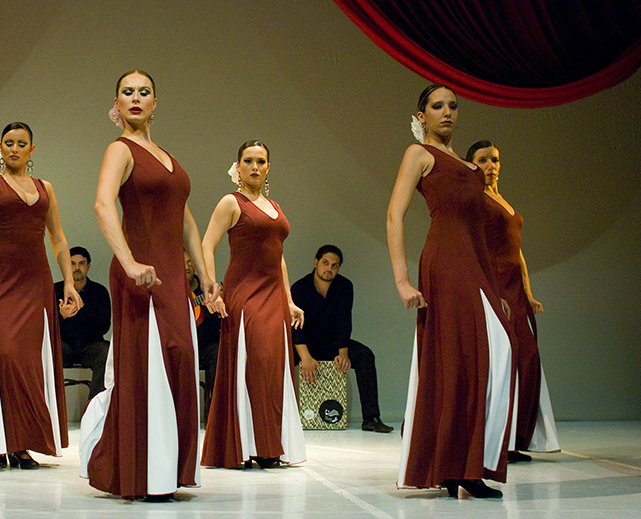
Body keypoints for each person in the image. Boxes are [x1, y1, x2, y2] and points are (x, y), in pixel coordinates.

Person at [80, 70, 220, 501]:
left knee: (178, 361)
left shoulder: (166, 156)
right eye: (127, 92)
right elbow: (103, 204)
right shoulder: (120, 149)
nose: (136, 98)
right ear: (117, 103)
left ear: (155, 103)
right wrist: (128, 262)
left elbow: (187, 223)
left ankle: (166, 470)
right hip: (139, 273)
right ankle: (141, 472)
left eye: (144, 92)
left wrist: (206, 276)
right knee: (147, 368)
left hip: (173, 277)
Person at [386, 84, 515, 499]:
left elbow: (480, 235)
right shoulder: (419, 154)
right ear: (421, 116)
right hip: (444, 262)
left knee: (493, 355)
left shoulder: (473, 169)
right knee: (459, 360)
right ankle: (458, 467)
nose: (447, 112)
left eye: (453, 106)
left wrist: (494, 290)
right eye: (437, 106)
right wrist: (402, 280)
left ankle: (465, 464)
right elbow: (394, 215)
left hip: (475, 266)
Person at [0, 122, 82, 471]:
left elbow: (58, 239)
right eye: (9, 143)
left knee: (31, 363)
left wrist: (68, 283)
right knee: (3, 355)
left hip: (36, 285)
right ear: (0, 148)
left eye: (21, 143)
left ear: (32, 149)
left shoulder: (46, 188)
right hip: (1, 282)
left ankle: (21, 444)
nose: (14, 148)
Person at [199, 140, 305, 470]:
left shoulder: (274, 205)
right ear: (238, 166)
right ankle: (249, 445)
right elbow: (206, 245)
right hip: (245, 294)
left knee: (275, 368)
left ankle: (269, 445)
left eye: (260, 161)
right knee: (255, 364)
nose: (255, 166)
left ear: (268, 167)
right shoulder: (232, 202)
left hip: (274, 297)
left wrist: (289, 299)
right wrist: (212, 290)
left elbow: (279, 257)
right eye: (248, 160)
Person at [466, 141, 560, 461]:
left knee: (527, 359)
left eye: (494, 159)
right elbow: (475, 248)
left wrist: (529, 293)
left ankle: (516, 438)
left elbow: (516, 252)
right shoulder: (475, 201)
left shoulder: (502, 199)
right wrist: (491, 292)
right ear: (472, 165)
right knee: (503, 361)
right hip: (496, 285)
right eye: (483, 160)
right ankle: (497, 443)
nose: (490, 165)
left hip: (515, 288)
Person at [290, 245, 394, 434]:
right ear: (316, 262)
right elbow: (296, 327)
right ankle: (282, 418)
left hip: (332, 343)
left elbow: (344, 321)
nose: (329, 269)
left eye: (334, 265)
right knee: (280, 359)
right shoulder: (299, 288)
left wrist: (343, 353)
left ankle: (371, 418)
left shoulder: (344, 286)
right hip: (305, 345)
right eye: (325, 263)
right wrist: (305, 357)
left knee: (365, 356)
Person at [54, 246, 110, 400]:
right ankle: (52, 404)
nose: (77, 268)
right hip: (64, 345)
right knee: (46, 350)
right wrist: (62, 316)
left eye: (81, 263)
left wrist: (83, 309)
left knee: (105, 353)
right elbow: (46, 325)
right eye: (72, 263)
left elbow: (104, 326)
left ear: (88, 266)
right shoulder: (56, 290)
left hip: (90, 345)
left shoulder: (99, 291)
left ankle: (94, 405)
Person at [185, 253, 220, 407]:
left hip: (203, 346)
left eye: (190, 262)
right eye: (182, 263)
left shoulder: (205, 290)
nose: (187, 267)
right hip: (181, 347)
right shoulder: (171, 291)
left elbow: (215, 329)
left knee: (218, 351)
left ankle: (214, 407)